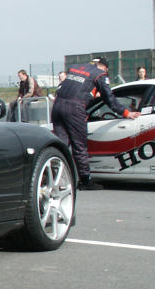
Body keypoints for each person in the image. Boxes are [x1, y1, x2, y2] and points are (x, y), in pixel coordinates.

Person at [51, 56, 139, 190]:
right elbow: (109, 98)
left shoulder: (76, 68)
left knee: (60, 145)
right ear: (105, 68)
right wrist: (127, 113)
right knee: (79, 145)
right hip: (74, 108)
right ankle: (86, 181)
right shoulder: (100, 74)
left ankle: (52, 177)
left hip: (57, 106)